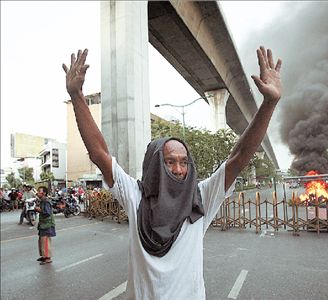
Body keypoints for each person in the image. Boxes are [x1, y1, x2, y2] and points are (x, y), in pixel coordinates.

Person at [63, 46, 282, 299]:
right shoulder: (136, 197)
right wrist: (77, 95)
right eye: (170, 162)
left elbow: (240, 156)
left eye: (184, 162)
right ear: (155, 166)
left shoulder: (201, 198)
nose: (179, 169)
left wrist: (269, 103)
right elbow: (99, 154)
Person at [35, 186, 56, 265]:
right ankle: (44, 256)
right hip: (43, 224)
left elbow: (46, 213)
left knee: (45, 241)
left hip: (47, 224)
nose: (37, 193)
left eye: (39, 191)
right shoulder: (42, 201)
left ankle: (47, 258)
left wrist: (38, 210)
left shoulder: (46, 201)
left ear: (44, 193)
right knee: (41, 240)